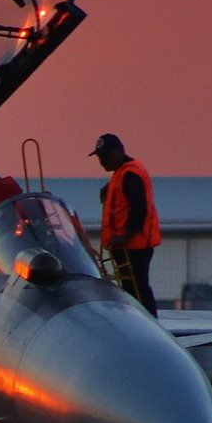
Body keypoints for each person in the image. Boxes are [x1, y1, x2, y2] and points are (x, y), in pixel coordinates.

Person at [90, 133, 160, 314]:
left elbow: (139, 208)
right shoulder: (121, 173)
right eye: (99, 157)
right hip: (124, 245)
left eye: (105, 156)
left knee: (138, 287)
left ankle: (149, 323)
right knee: (130, 288)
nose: (102, 161)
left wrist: (125, 235)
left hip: (135, 245)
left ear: (118, 152)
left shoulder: (130, 173)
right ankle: (138, 319)